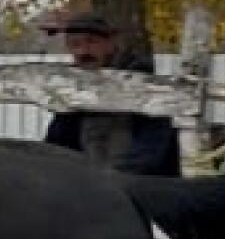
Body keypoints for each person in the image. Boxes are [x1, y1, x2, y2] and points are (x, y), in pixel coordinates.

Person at [43, 12, 181, 177]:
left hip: (141, 187)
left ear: (110, 43)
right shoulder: (75, 88)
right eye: (75, 44)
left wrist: (113, 178)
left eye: (91, 42)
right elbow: (57, 144)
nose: (83, 51)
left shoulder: (141, 84)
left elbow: (152, 147)